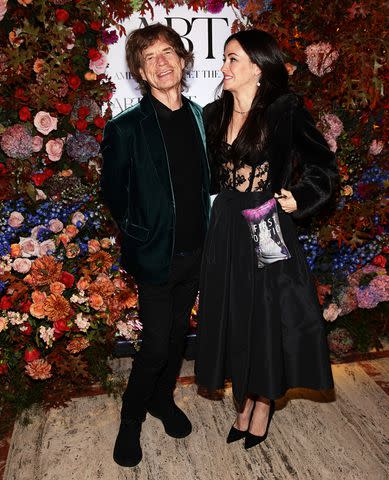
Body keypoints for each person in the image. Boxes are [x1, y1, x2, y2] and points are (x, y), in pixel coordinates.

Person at [195, 29, 337, 450]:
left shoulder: (284, 108)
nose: (224, 67)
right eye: (224, 58)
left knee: (266, 316)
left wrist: (302, 198)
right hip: (225, 227)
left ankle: (261, 403)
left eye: (232, 59)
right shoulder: (211, 114)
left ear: (257, 66)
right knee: (236, 315)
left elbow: (323, 165)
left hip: (265, 225)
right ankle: (246, 396)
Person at [101, 23, 210, 467]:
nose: (161, 62)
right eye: (150, 58)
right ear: (142, 73)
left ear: (182, 60)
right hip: (155, 256)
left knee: (179, 336)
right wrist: (140, 230)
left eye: (168, 53)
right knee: (155, 347)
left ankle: (161, 401)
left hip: (196, 252)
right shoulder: (127, 128)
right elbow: (113, 192)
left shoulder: (202, 117)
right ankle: (131, 421)